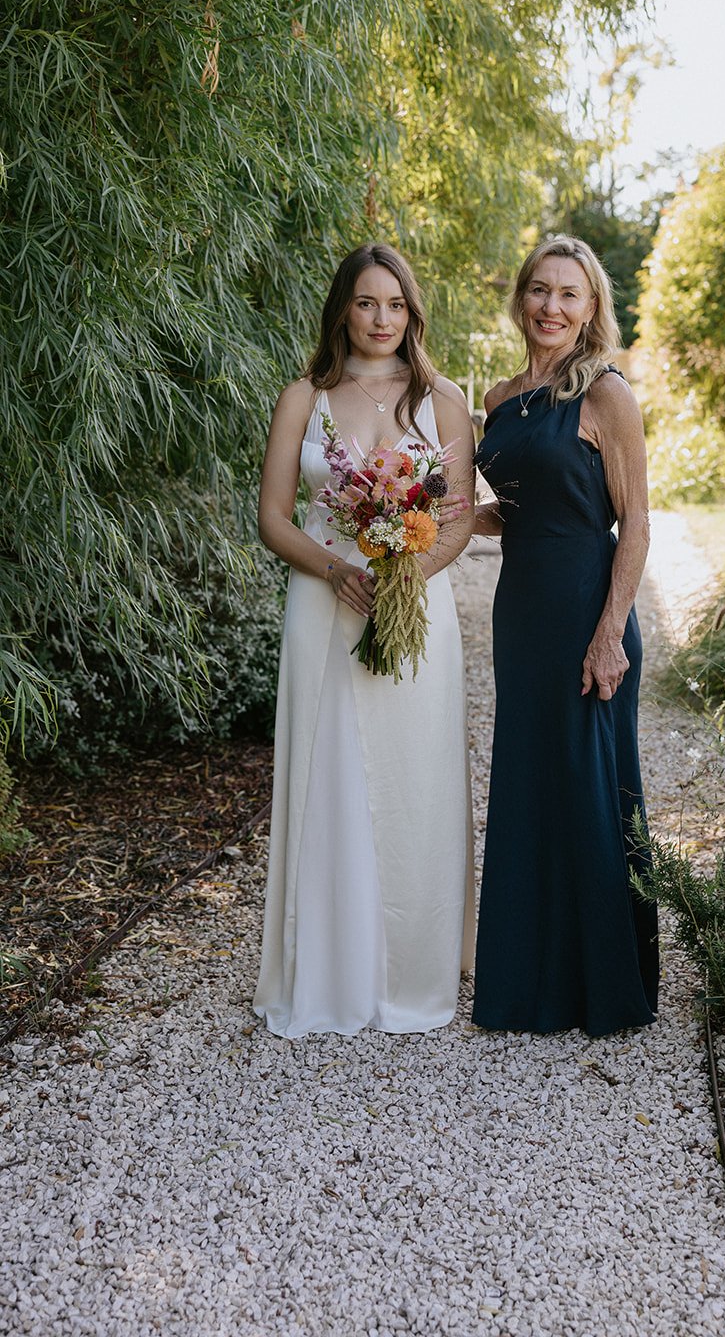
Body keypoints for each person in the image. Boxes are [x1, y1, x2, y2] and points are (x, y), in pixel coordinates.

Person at [253, 243, 476, 1036]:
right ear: (341, 310)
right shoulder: (303, 397)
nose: (382, 320)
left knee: (416, 779)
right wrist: (335, 569)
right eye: (365, 303)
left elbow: (457, 519)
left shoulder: (443, 400)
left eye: (395, 305)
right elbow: (273, 516)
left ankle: (413, 970)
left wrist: (405, 578)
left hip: (415, 610)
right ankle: (328, 972)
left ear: (412, 313)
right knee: (330, 774)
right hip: (324, 605)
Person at [469, 235, 659, 1035]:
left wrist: (609, 634)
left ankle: (601, 987)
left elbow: (636, 524)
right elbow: (512, 510)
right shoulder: (498, 398)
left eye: (568, 294)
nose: (551, 306)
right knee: (528, 785)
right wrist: (430, 519)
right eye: (539, 290)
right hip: (521, 614)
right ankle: (525, 985)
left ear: (590, 309)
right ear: (521, 298)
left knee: (587, 788)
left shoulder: (605, 394)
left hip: (587, 608)